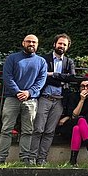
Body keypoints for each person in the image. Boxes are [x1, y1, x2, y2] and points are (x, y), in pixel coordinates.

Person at [0, 34, 47, 165]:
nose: (31, 44)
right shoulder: (12, 58)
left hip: (31, 100)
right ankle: (1, 158)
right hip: (12, 99)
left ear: (37, 44)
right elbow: (7, 77)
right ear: (23, 43)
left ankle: (25, 158)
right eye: (29, 41)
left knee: (28, 131)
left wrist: (29, 93)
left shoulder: (41, 62)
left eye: (34, 42)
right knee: (6, 129)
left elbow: (41, 81)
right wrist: (18, 92)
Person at [30, 33, 76, 165]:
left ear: (67, 47)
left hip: (59, 100)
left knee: (50, 131)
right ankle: (32, 158)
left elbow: (72, 77)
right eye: (60, 43)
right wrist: (61, 78)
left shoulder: (69, 62)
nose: (61, 46)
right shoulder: (44, 59)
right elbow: (42, 76)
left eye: (64, 44)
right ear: (54, 44)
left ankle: (42, 159)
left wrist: (54, 75)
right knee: (38, 129)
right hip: (44, 98)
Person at [58, 79, 88, 166]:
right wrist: (82, 100)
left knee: (77, 128)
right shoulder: (73, 97)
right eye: (83, 86)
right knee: (79, 121)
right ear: (79, 88)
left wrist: (75, 117)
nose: (85, 88)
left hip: (87, 127)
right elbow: (73, 116)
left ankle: (73, 161)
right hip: (69, 125)